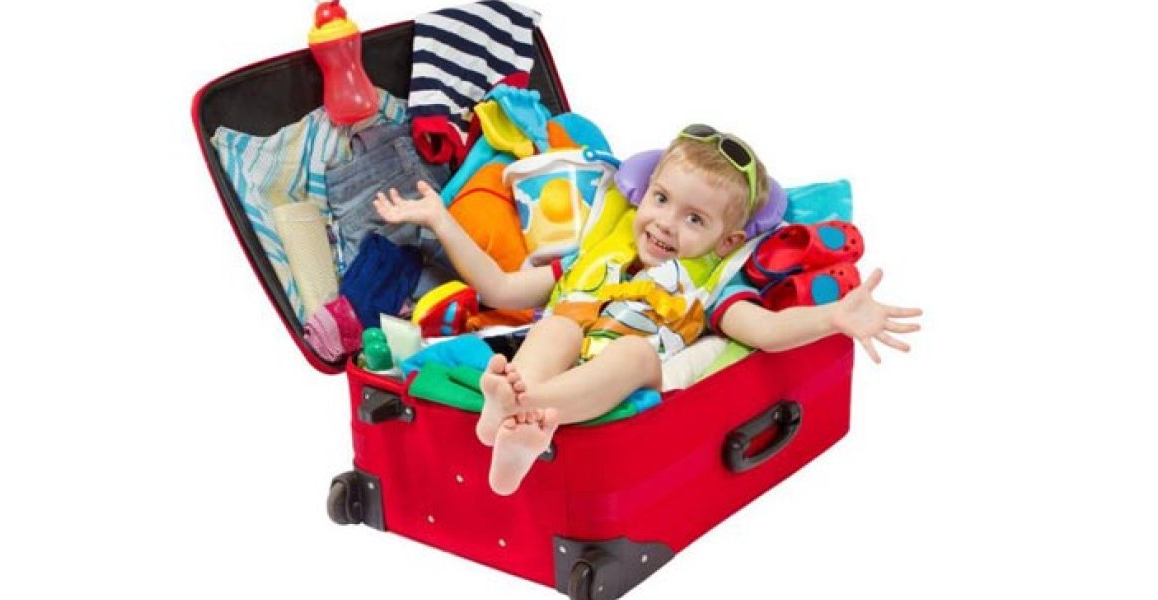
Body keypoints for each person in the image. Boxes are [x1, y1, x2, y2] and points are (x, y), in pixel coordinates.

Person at [374, 124, 922, 495]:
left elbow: (768, 330)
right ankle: (514, 415)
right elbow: (499, 289)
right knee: (557, 326)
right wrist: (442, 221)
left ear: (727, 241)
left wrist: (833, 318)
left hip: (638, 365)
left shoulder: (711, 289)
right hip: (568, 353)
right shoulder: (592, 258)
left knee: (632, 354)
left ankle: (527, 408)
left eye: (694, 219)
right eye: (661, 200)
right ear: (643, 193)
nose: (665, 223)